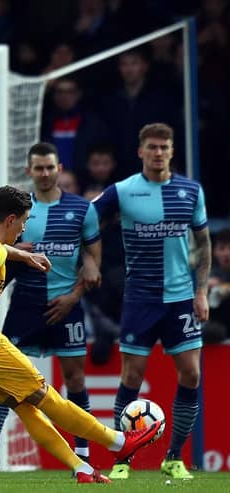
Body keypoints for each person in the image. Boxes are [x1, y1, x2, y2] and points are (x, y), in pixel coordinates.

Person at [0, 185, 163, 484]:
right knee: (45, 396)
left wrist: (23, 257)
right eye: (23, 221)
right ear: (10, 219)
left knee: (23, 406)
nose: (24, 228)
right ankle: (117, 441)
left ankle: (82, 468)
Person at [0, 142, 102, 476]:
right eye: (38, 168)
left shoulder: (82, 209)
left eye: (49, 167)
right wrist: (12, 249)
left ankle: (82, 454)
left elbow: (94, 260)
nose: (44, 173)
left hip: (66, 304)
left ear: (60, 169)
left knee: (75, 378)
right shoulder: (17, 211)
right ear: (28, 171)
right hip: (24, 304)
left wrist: (74, 295)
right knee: (4, 381)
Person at [93, 123, 211, 480]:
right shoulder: (123, 191)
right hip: (140, 298)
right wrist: (89, 260)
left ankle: (174, 457)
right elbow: (86, 220)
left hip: (180, 298)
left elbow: (204, 244)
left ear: (173, 151)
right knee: (132, 375)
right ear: (140, 151)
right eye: (152, 147)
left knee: (191, 373)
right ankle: (122, 460)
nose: (158, 153)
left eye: (165, 147)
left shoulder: (191, 191)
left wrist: (202, 291)